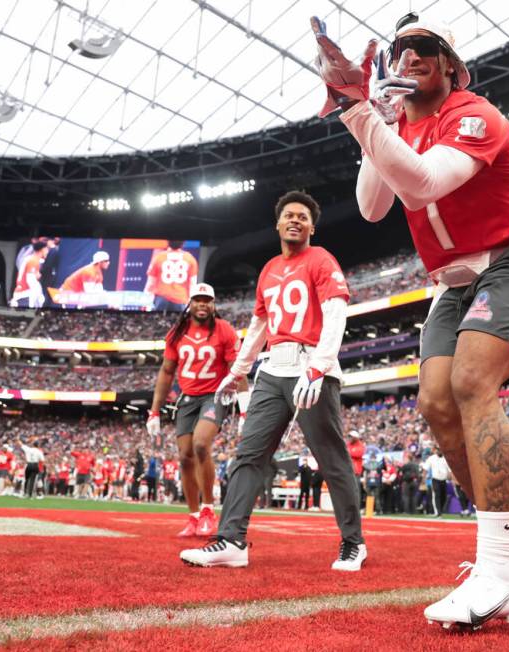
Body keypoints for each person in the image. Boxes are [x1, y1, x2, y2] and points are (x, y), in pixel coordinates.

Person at [312, 11, 509, 627]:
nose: (411, 55)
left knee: (471, 382)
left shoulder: (475, 114)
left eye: (427, 47)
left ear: (452, 64)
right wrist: (371, 114)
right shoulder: (396, 122)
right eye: (402, 48)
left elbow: (422, 185)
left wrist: (360, 112)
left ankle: (499, 574)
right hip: (453, 281)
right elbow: (372, 207)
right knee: (435, 403)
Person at [180, 190, 366, 571]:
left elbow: (336, 312)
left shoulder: (321, 259)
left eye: (302, 216)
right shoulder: (267, 270)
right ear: (278, 224)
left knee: (330, 457)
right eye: (288, 215)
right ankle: (232, 539)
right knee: (248, 454)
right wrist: (239, 369)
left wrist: (319, 366)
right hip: (273, 368)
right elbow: (260, 325)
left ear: (312, 226)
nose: (295, 220)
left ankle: (353, 542)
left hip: (311, 366)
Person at [147, 282, 243, 536]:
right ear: (190, 303)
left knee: (201, 444)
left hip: (215, 395)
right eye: (198, 300)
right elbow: (167, 372)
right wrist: (154, 411)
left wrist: (245, 407)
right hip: (187, 399)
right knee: (185, 455)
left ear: (213, 305)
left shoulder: (224, 330)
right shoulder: (177, 332)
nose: (202, 304)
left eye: (207, 300)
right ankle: (192, 516)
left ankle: (208, 510)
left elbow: (238, 369)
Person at [145, 241, 199, 311]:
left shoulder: (159, 257)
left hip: (161, 299)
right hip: (180, 299)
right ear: (183, 243)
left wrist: (147, 301)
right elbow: (193, 284)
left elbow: (151, 282)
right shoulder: (190, 259)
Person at [423, 448, 450, 516]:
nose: (440, 451)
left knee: (444, 496)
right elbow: (426, 468)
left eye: (441, 450)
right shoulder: (431, 458)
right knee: (437, 495)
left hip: (444, 480)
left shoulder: (445, 458)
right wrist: (423, 478)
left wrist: (450, 477)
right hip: (435, 479)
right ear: (436, 450)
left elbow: (449, 469)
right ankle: (438, 512)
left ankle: (440, 509)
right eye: (438, 450)